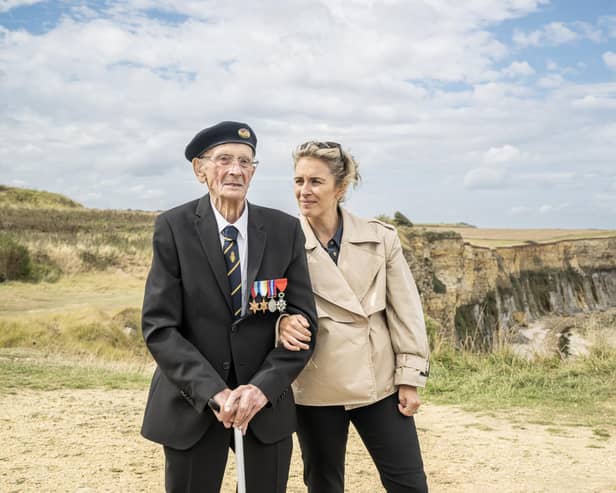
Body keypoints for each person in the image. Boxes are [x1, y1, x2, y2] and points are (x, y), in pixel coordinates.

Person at [140, 121, 318, 493]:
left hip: (265, 409)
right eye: (223, 159)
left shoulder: (285, 230)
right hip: (193, 406)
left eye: (245, 161)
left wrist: (261, 389)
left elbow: (305, 326)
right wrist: (214, 393)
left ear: (254, 170)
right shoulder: (173, 228)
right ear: (200, 169)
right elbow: (160, 328)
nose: (235, 170)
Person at [278, 140, 430, 493]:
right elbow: (266, 303)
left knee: (409, 482)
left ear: (340, 188)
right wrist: (280, 322)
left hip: (379, 381)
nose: (304, 191)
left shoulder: (380, 237)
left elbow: (405, 311)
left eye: (315, 182)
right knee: (324, 484)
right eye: (298, 181)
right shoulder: (280, 239)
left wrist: (410, 377)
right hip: (313, 384)